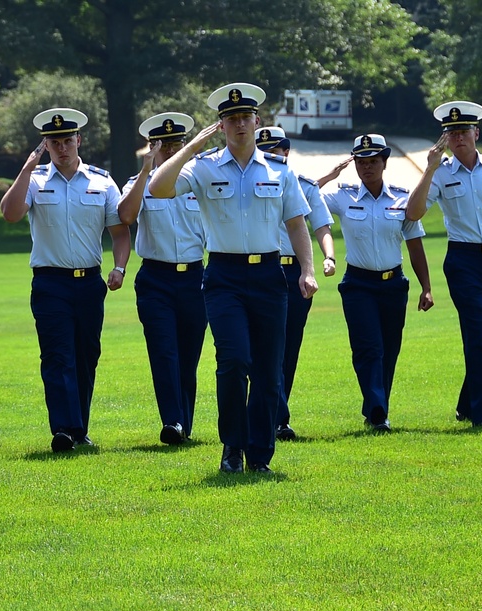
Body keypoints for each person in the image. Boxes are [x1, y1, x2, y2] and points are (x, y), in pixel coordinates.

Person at [148, 83, 318, 474]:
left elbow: (296, 223)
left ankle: (260, 455)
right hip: (223, 276)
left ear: (257, 122)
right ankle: (232, 447)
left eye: (245, 117)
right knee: (233, 360)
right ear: (221, 125)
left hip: (269, 275)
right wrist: (190, 148)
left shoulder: (278, 171)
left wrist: (307, 270)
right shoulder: (203, 166)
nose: (240, 124)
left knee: (266, 367)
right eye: (231, 118)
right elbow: (159, 188)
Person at [0, 107, 131, 453]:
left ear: (79, 140)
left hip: (89, 282)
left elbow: (119, 232)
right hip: (50, 283)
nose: (62, 147)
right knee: (57, 356)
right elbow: (10, 213)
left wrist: (119, 268)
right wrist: (27, 169)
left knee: (86, 354)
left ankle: (79, 427)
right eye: (54, 142)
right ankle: (63, 428)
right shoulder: (36, 180)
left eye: (67, 140)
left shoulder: (101, 182)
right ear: (47, 144)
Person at [406, 101, 482, 428]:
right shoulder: (442, 173)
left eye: (463, 131)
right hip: (462, 259)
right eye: (451, 132)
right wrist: (430, 168)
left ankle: (466, 403)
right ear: (445, 138)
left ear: (476, 132)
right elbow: (414, 213)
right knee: (476, 333)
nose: (458, 137)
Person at [319, 134, 433, 432]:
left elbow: (415, 244)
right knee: (369, 348)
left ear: (384, 163)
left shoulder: (401, 197)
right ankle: (378, 411)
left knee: (389, 349)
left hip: (393, 284)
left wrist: (427, 287)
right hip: (358, 284)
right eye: (361, 162)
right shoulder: (343, 196)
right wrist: (331, 175)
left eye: (373, 162)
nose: (367, 167)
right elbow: (303, 198)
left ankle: (376, 407)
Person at [117, 112, 207, 446]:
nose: (169, 151)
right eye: (162, 145)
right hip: (156, 279)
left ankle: (185, 421)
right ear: (151, 148)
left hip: (195, 277)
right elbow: (125, 216)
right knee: (164, 351)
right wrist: (145, 171)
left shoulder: (199, 181)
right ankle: (172, 421)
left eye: (175, 144)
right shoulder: (139, 183)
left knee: (188, 355)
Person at [254, 126, 336, 441]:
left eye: (276, 150)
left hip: (294, 273)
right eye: (265, 151)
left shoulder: (304, 186)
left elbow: (322, 226)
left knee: (288, 347)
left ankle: (276, 415)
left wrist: (327, 258)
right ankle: (277, 416)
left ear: (287, 152)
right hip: (261, 271)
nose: (270, 156)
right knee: (265, 346)